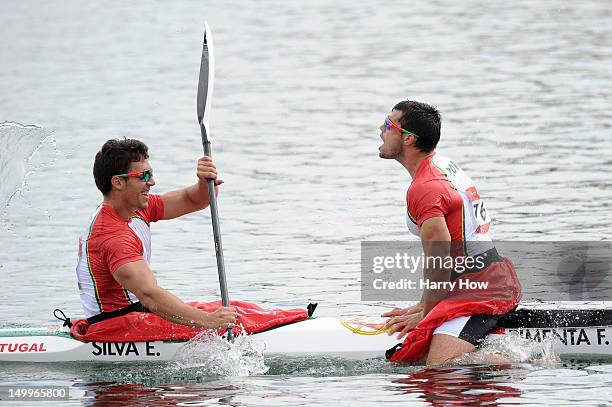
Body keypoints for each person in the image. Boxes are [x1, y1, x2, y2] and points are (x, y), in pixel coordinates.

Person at [378, 100, 521, 365]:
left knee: (439, 367)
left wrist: (427, 315)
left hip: (479, 288)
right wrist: (425, 304)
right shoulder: (442, 164)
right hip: (478, 278)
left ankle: (528, 363)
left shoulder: (425, 188)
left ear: (408, 139)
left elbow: (439, 260)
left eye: (388, 124)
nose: (380, 128)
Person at [74, 138, 237, 331]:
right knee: (232, 320)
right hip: (116, 324)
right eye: (143, 176)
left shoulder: (137, 208)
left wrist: (204, 182)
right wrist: (209, 321)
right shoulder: (112, 236)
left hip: (138, 311)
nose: (151, 182)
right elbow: (149, 294)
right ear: (118, 182)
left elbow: (192, 199)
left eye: (150, 174)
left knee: (236, 309)